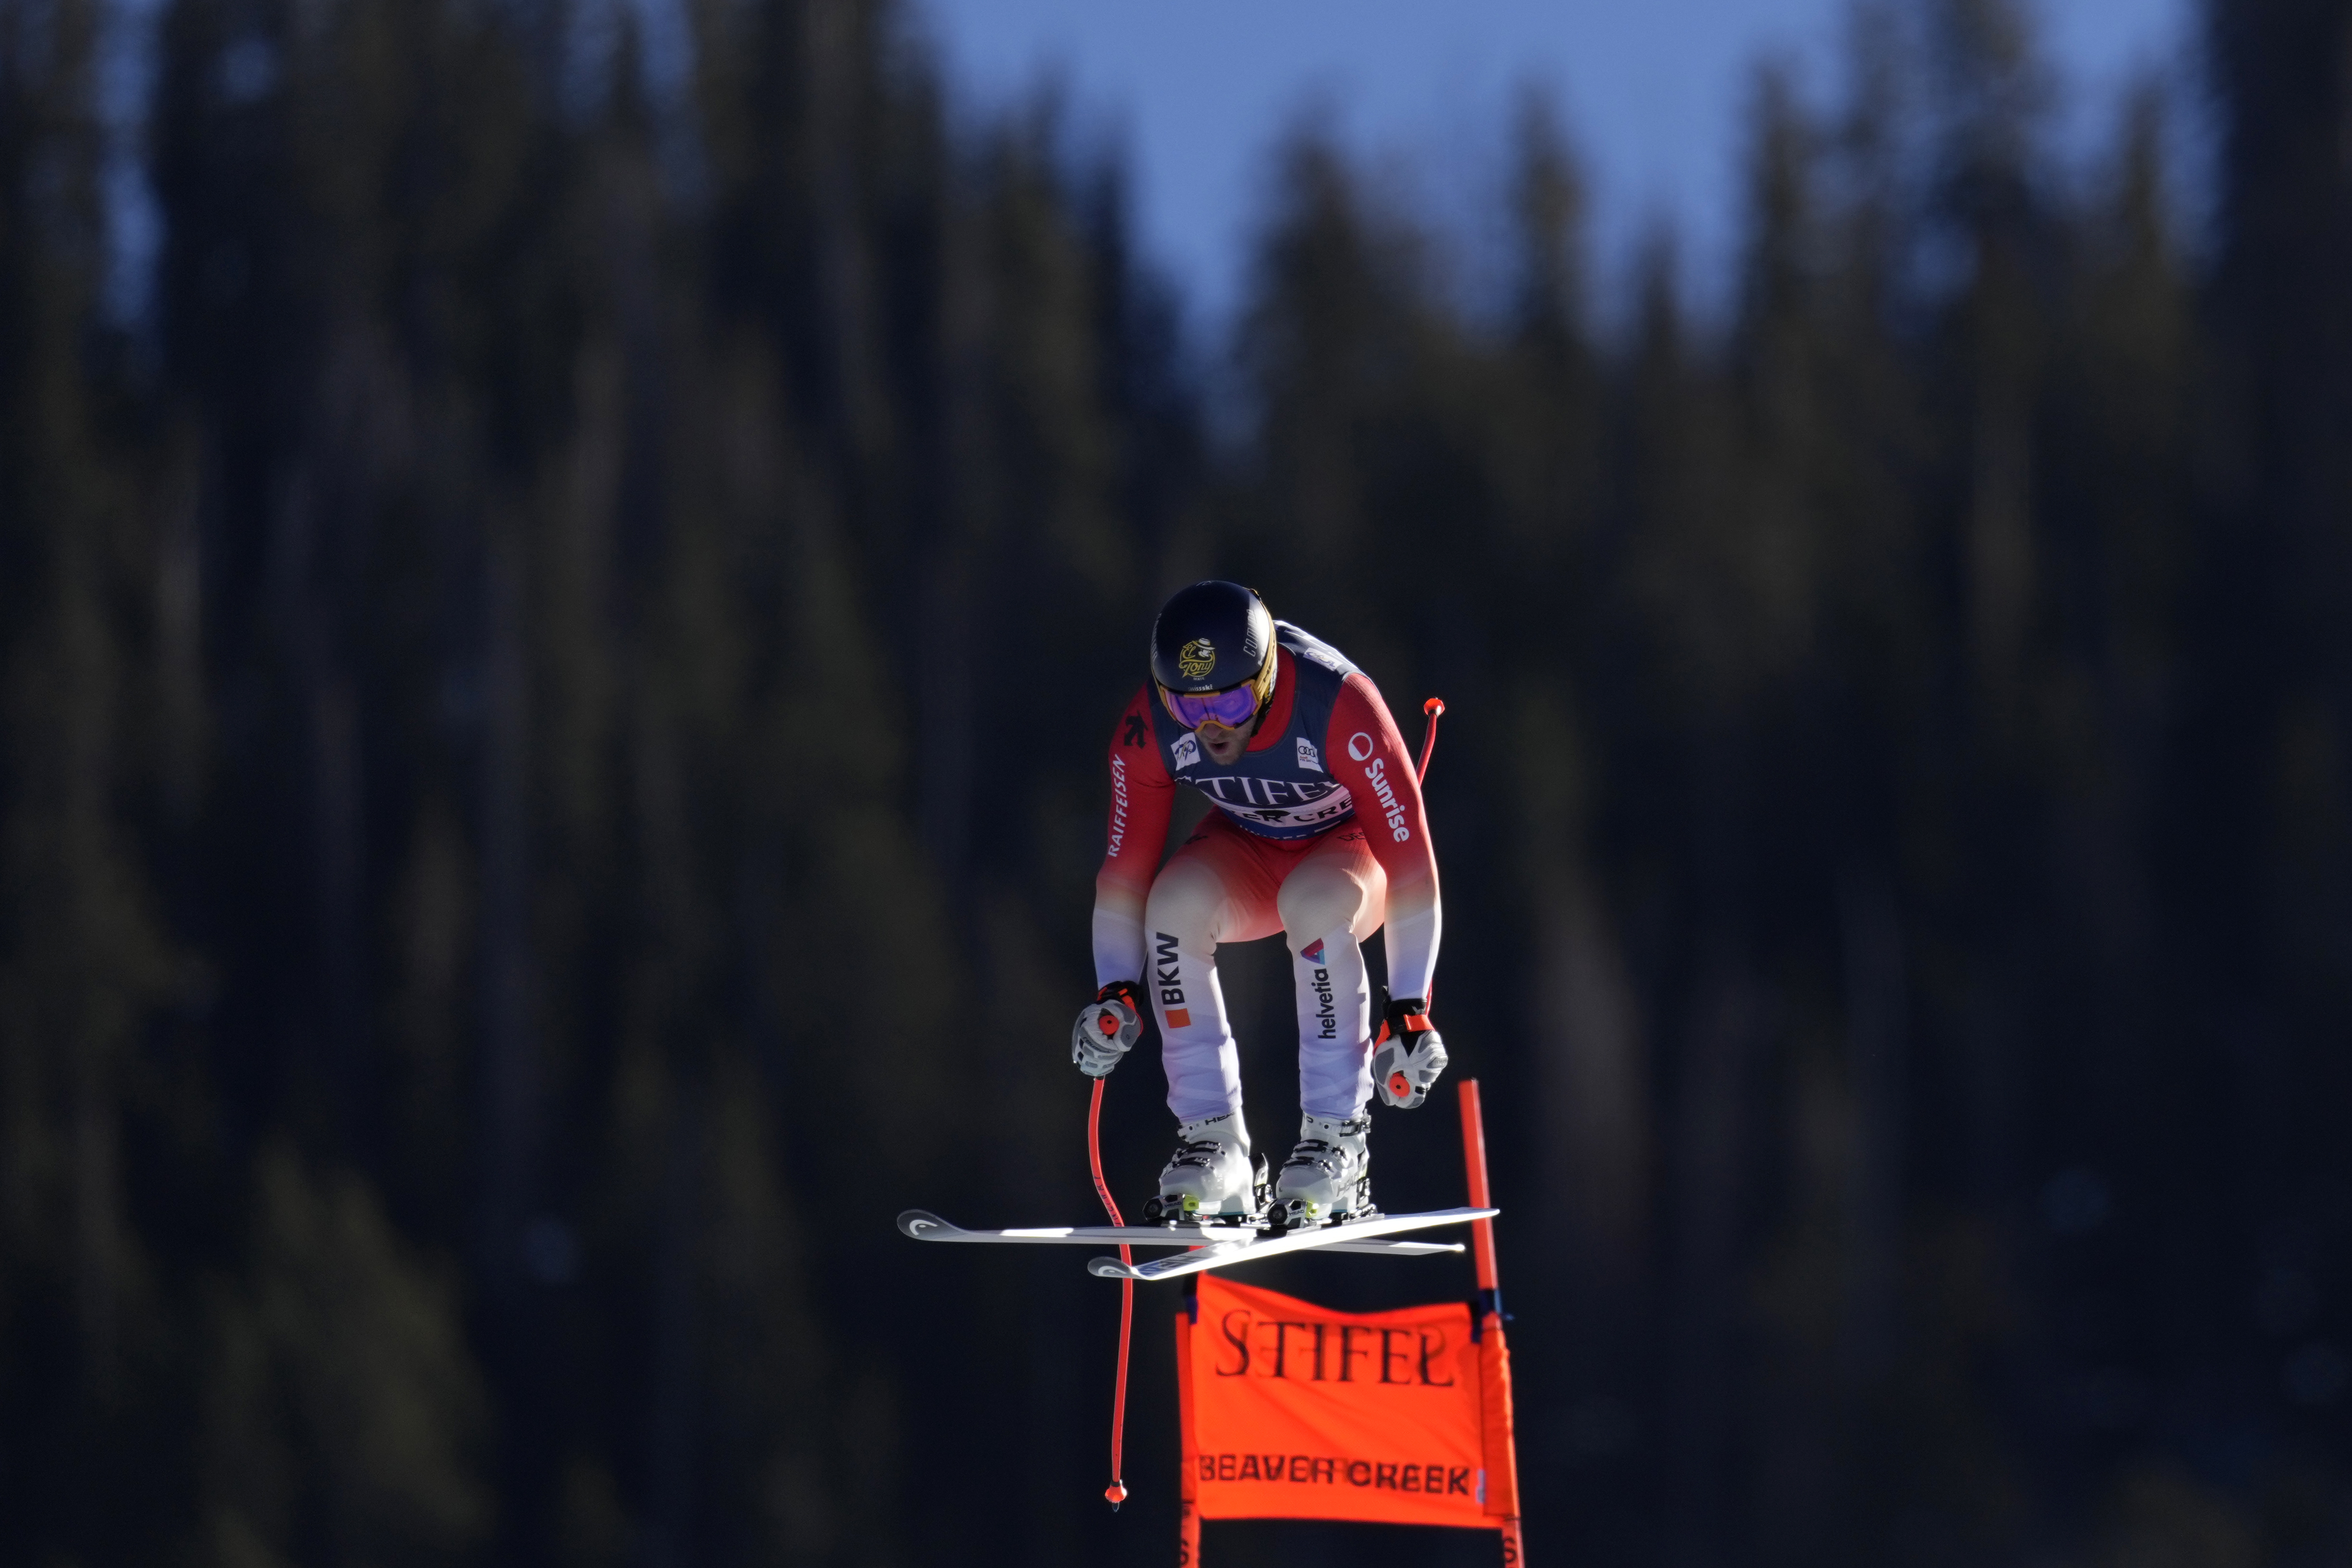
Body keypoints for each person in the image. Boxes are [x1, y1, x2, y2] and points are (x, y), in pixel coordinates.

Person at [1070, 581, 1448, 1227]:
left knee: (1315, 903)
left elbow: (1414, 870)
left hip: (1348, 852)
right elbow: (1123, 876)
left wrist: (1410, 1007)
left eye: (1234, 701)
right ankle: (1214, 1144)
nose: (1212, 725)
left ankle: (1339, 1140)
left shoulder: (1339, 705)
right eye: (1190, 711)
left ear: (1269, 677)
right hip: (1250, 845)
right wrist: (1115, 993)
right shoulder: (1148, 728)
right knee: (1173, 906)